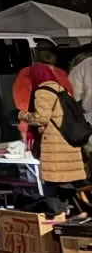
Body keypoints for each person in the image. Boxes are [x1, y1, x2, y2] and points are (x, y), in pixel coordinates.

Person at [21, 73, 88, 212]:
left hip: (55, 146)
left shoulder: (43, 91)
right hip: (68, 143)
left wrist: (21, 115)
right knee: (67, 183)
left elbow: (41, 118)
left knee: (54, 185)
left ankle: (56, 214)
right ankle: (71, 211)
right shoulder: (62, 90)